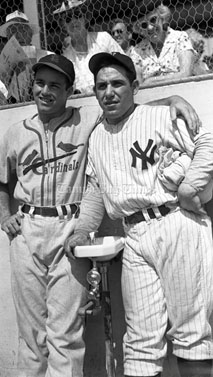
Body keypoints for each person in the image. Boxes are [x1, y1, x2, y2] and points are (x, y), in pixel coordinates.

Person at [0, 51, 202, 376]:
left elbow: (125, 104)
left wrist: (171, 97)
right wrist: (3, 216)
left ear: (69, 92)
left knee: (67, 336)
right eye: (40, 83)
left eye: (56, 85)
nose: (46, 91)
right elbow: (5, 181)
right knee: (32, 336)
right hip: (30, 229)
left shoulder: (85, 121)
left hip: (78, 227)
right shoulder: (17, 132)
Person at [65, 52, 213, 377]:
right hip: (132, 233)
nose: (109, 91)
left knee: (191, 333)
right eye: (101, 85)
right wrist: (82, 229)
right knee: (140, 342)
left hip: (177, 222)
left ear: (134, 85)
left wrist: (190, 188)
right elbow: (94, 190)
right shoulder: (97, 135)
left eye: (117, 83)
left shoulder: (160, 116)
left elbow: (207, 143)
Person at [53, 0, 123, 94]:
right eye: (68, 18)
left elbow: (125, 64)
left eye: (77, 15)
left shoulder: (103, 38)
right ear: (63, 26)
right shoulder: (65, 57)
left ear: (85, 18)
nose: (73, 21)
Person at [133, 4, 195, 86]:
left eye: (153, 20)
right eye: (144, 25)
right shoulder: (137, 51)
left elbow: (186, 74)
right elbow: (138, 86)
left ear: (162, 18)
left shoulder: (180, 38)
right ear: (140, 29)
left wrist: (151, 81)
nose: (150, 27)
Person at [0, 10, 53, 103]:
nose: (17, 35)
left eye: (22, 29)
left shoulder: (49, 57)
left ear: (30, 33)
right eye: (13, 31)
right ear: (8, 37)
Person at [111, 18, 143, 84]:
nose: (115, 35)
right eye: (113, 33)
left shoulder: (139, 53)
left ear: (129, 34)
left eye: (119, 31)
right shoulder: (112, 58)